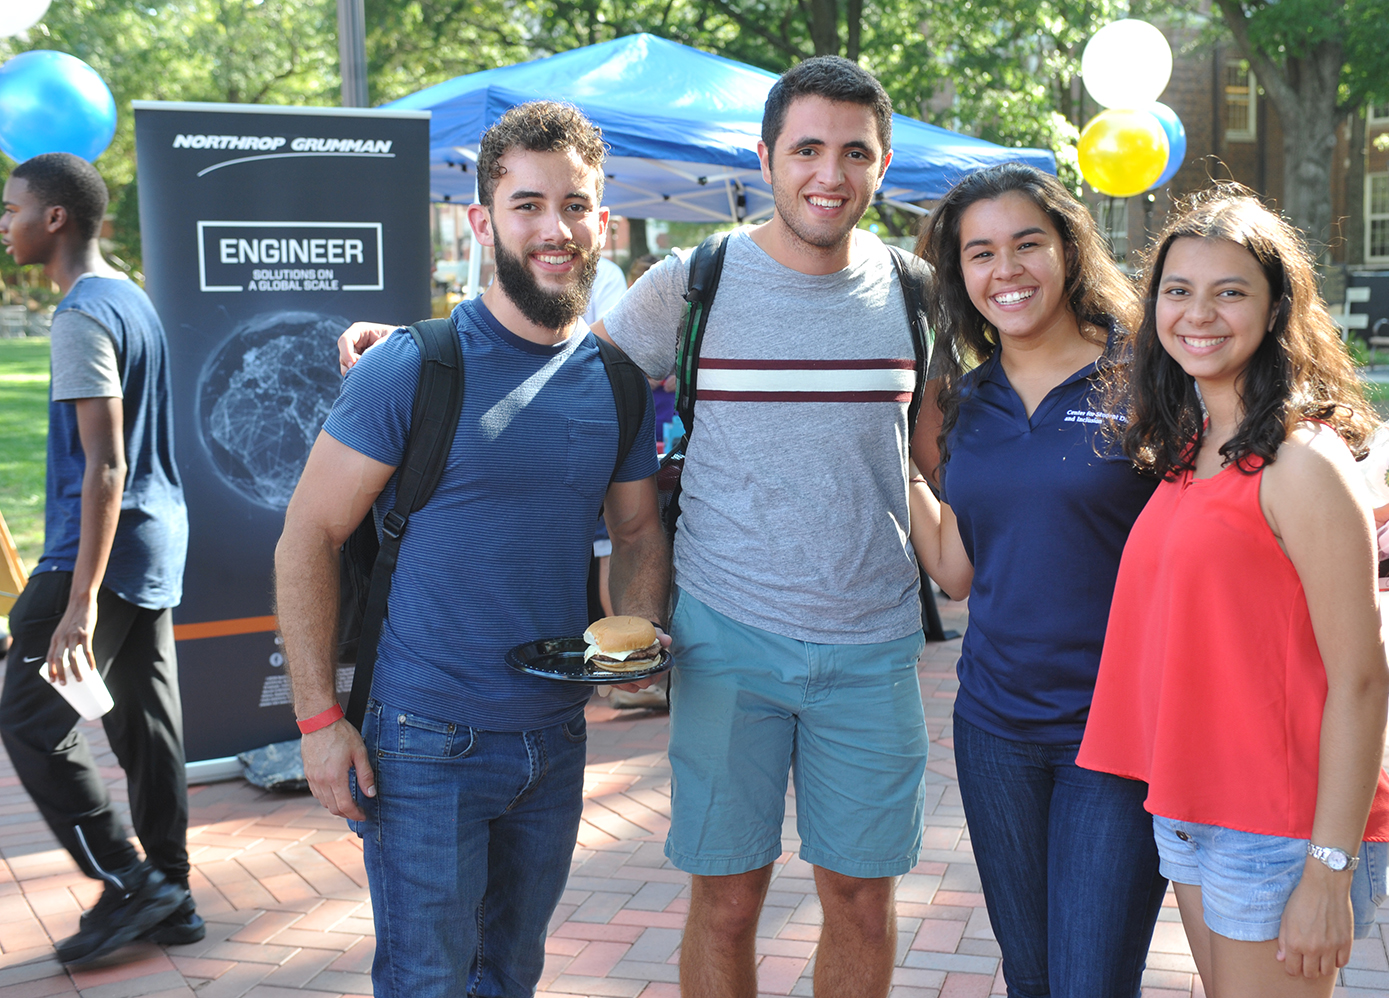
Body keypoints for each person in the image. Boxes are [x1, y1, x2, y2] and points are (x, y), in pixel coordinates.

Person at [340, 55, 930, 998]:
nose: (831, 172)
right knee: (729, 901)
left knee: (861, 900)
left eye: (855, 151)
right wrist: (409, 346)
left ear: (883, 164)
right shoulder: (695, 282)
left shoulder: (914, 290)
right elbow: (546, 359)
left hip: (874, 645)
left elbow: (940, 450)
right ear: (768, 157)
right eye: (808, 148)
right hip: (726, 639)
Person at [275, 101, 670, 998]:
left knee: (511, 977)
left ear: (602, 220)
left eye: (574, 205)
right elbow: (309, 534)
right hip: (421, 744)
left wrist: (638, 633)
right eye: (527, 205)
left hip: (556, 740)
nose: (554, 228)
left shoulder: (614, 381)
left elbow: (639, 529)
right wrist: (315, 720)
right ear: (482, 221)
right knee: (427, 983)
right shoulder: (410, 366)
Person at [1077, 188, 1389, 996]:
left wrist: (1330, 870)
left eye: (1231, 292)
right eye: (1178, 291)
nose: (1199, 314)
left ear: (1275, 307)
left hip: (1284, 823)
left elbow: (1363, 677)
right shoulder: (1194, 447)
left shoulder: (1301, 461)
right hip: (1193, 804)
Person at [904, 163, 1167, 997]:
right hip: (995, 730)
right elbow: (955, 573)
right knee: (1031, 977)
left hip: (1117, 733)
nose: (1005, 270)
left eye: (1027, 244)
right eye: (980, 253)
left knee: (1089, 980)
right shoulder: (967, 402)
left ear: (1067, 250)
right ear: (960, 275)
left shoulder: (1149, 379)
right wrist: (890, 457)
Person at [0, 152, 198, 963]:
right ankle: (174, 897)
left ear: (54, 219)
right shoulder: (132, 299)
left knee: (27, 716)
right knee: (146, 726)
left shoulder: (83, 313)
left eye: (12, 209)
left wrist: (77, 601)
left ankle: (128, 880)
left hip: (102, 550)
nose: (3, 223)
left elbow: (107, 465)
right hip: (153, 538)